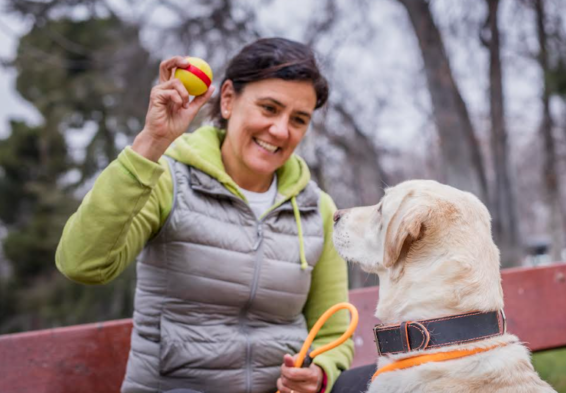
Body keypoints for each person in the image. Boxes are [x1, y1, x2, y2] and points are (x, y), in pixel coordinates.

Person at [56, 38, 356, 393]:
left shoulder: (317, 207)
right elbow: (81, 264)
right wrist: (152, 142)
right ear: (228, 99)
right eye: (269, 108)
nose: (280, 130)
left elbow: (333, 331)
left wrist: (318, 374)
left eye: (299, 119)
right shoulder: (166, 179)